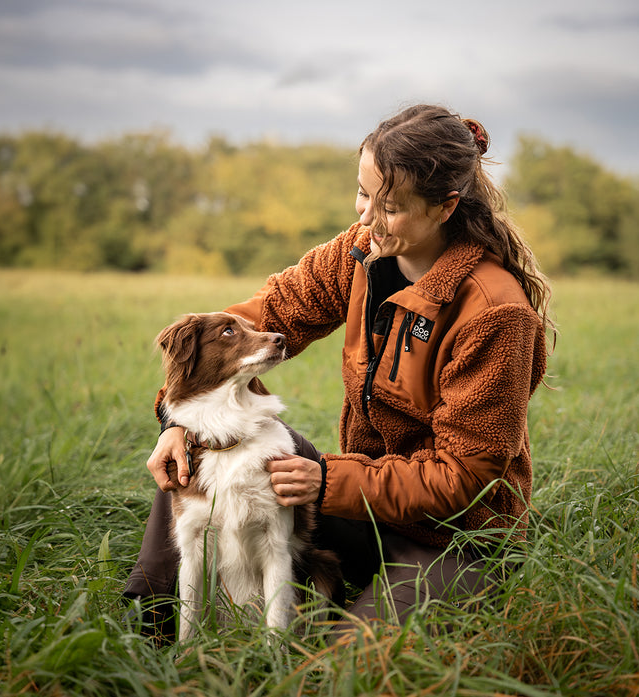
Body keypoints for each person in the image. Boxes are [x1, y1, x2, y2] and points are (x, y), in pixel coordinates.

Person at [123, 103, 552, 642]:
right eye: (362, 194)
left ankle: (337, 624)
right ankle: (154, 628)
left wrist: (328, 480)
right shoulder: (356, 254)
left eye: (389, 206)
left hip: (453, 536)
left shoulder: (496, 313)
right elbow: (256, 320)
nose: (366, 217)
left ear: (445, 206)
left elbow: (466, 476)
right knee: (209, 441)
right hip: (356, 506)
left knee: (344, 659)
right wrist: (175, 421)